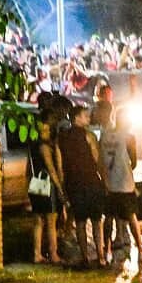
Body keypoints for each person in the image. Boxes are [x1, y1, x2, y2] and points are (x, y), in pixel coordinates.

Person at [99, 110, 142, 283]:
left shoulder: (105, 136)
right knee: (132, 217)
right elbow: (133, 161)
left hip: (108, 183)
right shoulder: (129, 137)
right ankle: (140, 250)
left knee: (108, 217)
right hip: (124, 184)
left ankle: (107, 250)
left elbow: (100, 159)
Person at [57, 104, 108, 267]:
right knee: (96, 221)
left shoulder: (61, 138)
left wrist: (62, 187)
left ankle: (85, 256)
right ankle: (100, 256)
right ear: (76, 118)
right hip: (91, 181)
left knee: (79, 221)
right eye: (85, 116)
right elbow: (97, 160)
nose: (88, 118)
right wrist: (105, 180)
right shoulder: (89, 136)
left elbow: (60, 166)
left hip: (73, 184)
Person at [28, 116, 65, 264]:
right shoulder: (45, 147)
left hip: (36, 182)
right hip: (47, 184)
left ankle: (37, 254)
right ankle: (53, 253)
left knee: (38, 220)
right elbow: (52, 169)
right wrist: (60, 188)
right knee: (51, 221)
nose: (43, 132)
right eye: (42, 129)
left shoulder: (33, 145)